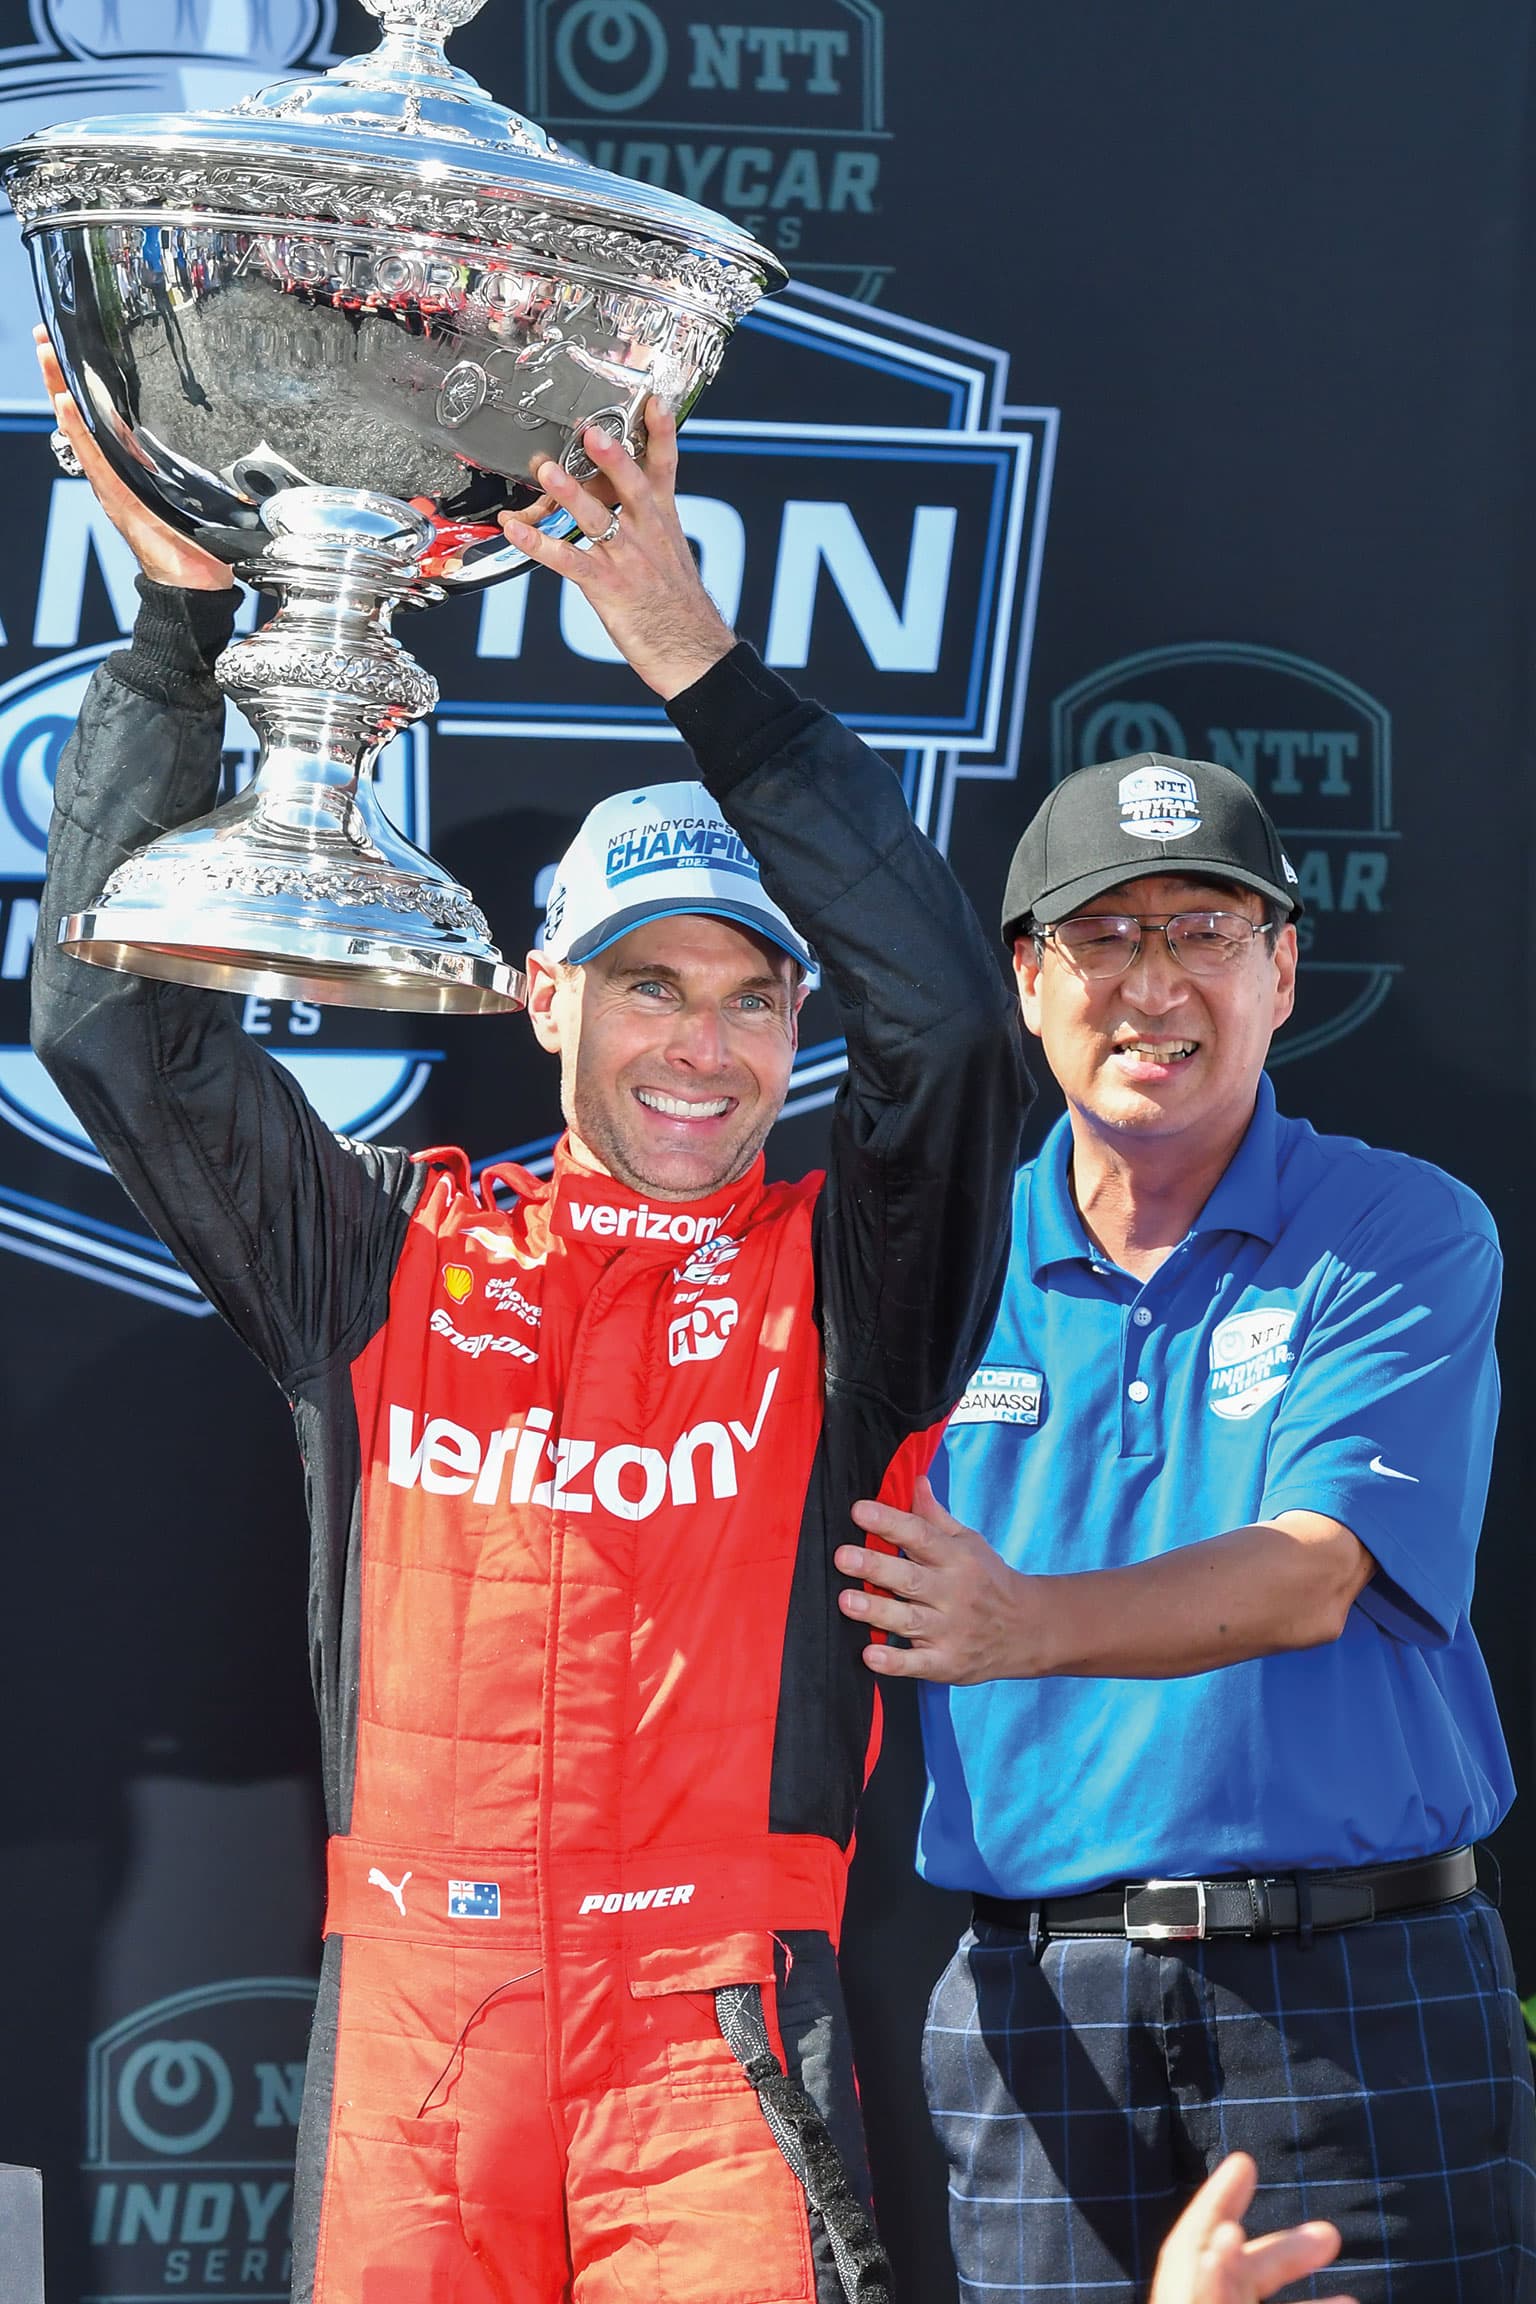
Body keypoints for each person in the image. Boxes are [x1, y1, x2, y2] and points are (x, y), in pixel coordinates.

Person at [32, 341, 1028, 2304]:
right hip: (420, 2029)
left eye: (753, 998)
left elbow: (956, 1031)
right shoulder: (381, 1248)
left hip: (716, 2032)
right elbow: (110, 1031)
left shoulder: (847, 1272)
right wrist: (173, 643)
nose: (706, 1043)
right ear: (543, 1000)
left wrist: (699, 665)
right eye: (649, 983)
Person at [834, 753, 1536, 2302]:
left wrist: (1024, 1623)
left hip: (1353, 1988)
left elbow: (1314, 1571)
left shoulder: (1399, 1228)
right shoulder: (925, 1273)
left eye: (1204, 932)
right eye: (1104, 937)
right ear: (1026, 982)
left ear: (1284, 971)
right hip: (1032, 1993)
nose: (1154, 982)